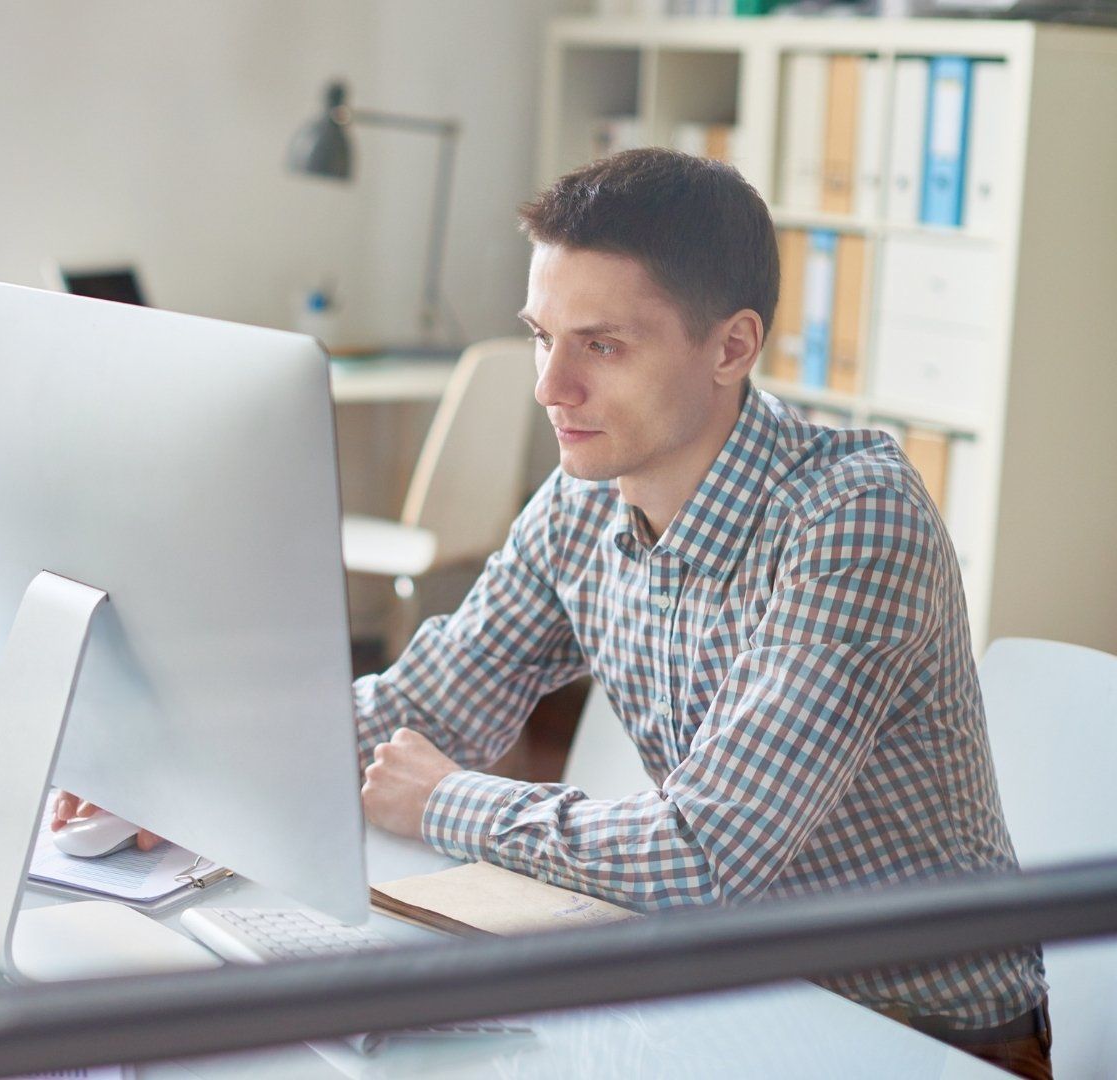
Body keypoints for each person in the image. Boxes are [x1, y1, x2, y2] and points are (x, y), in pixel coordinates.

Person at [350, 147, 1049, 1078]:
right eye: (540, 336)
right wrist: (175, 767)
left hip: (917, 1036)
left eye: (600, 345)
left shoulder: (851, 516)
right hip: (731, 994)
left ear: (731, 347)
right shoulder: (586, 495)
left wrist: (447, 801)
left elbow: (703, 859)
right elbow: (427, 705)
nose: (549, 388)